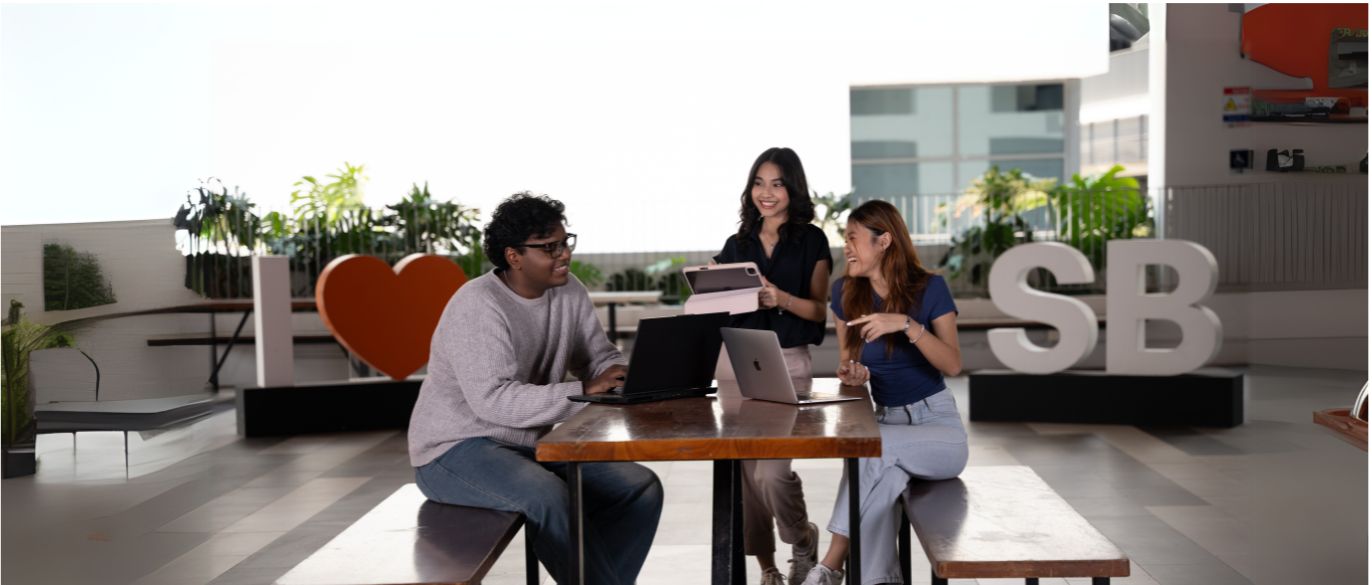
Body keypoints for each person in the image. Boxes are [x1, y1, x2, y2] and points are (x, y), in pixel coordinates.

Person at [408, 193, 664, 585]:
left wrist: (620, 371)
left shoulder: (568, 289)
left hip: (529, 443)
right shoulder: (477, 305)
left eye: (565, 242)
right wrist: (584, 389)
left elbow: (595, 355)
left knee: (639, 488)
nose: (564, 255)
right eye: (549, 248)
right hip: (454, 449)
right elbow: (493, 402)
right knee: (548, 497)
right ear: (513, 256)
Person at [799, 200, 969, 585]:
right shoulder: (845, 292)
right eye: (846, 239)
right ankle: (879, 581)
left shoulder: (931, 288)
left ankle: (829, 565)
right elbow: (848, 365)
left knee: (869, 451)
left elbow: (953, 364)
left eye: (854, 238)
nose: (847, 247)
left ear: (884, 241)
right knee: (883, 486)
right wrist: (854, 374)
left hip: (939, 428)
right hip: (888, 419)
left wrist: (907, 325)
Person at [713, 147, 832, 585]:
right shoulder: (737, 244)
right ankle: (766, 566)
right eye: (759, 183)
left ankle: (801, 538)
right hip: (736, 359)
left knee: (772, 472)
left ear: (792, 188)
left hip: (788, 360)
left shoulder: (813, 241)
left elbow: (819, 311)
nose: (766, 192)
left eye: (777, 183)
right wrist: (713, 284)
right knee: (747, 474)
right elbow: (720, 310)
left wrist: (779, 298)